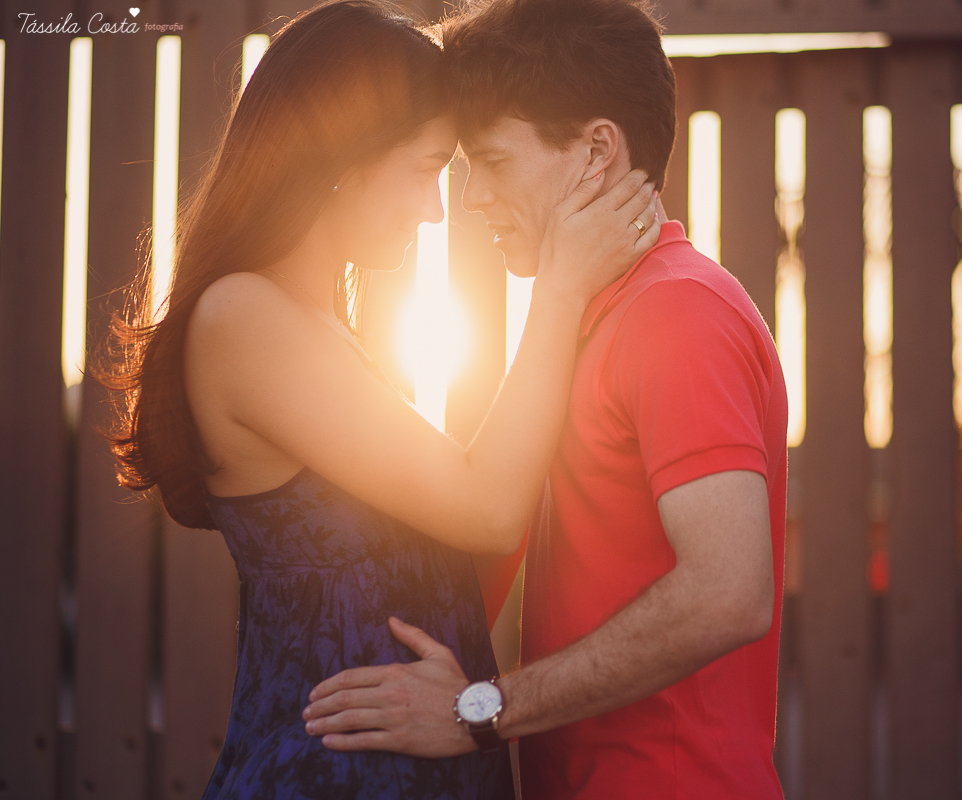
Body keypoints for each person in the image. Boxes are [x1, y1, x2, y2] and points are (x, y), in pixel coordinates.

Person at [102, 1, 660, 797]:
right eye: (428, 168)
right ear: (344, 156)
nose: (438, 209)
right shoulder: (243, 317)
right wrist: (562, 289)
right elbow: (489, 505)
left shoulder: (325, 328)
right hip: (327, 776)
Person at [302, 0, 789, 797]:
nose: (474, 198)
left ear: (597, 150)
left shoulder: (677, 311)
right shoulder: (595, 312)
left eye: (492, 161)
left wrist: (476, 710)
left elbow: (729, 592)